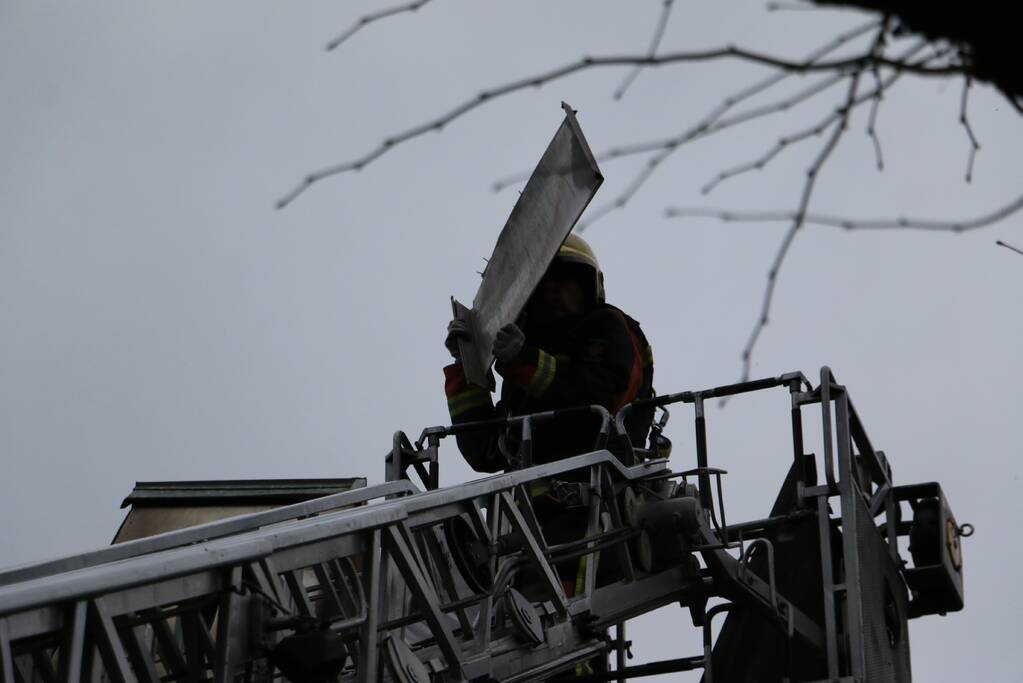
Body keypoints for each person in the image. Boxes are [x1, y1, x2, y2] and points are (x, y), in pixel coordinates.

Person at [443, 233, 654, 473]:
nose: (551, 292)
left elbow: (602, 397)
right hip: (525, 505)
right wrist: (466, 366)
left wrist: (523, 360)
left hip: (602, 491)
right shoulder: (524, 367)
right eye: (541, 285)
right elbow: (485, 452)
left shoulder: (609, 325)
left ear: (587, 285)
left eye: (562, 279)